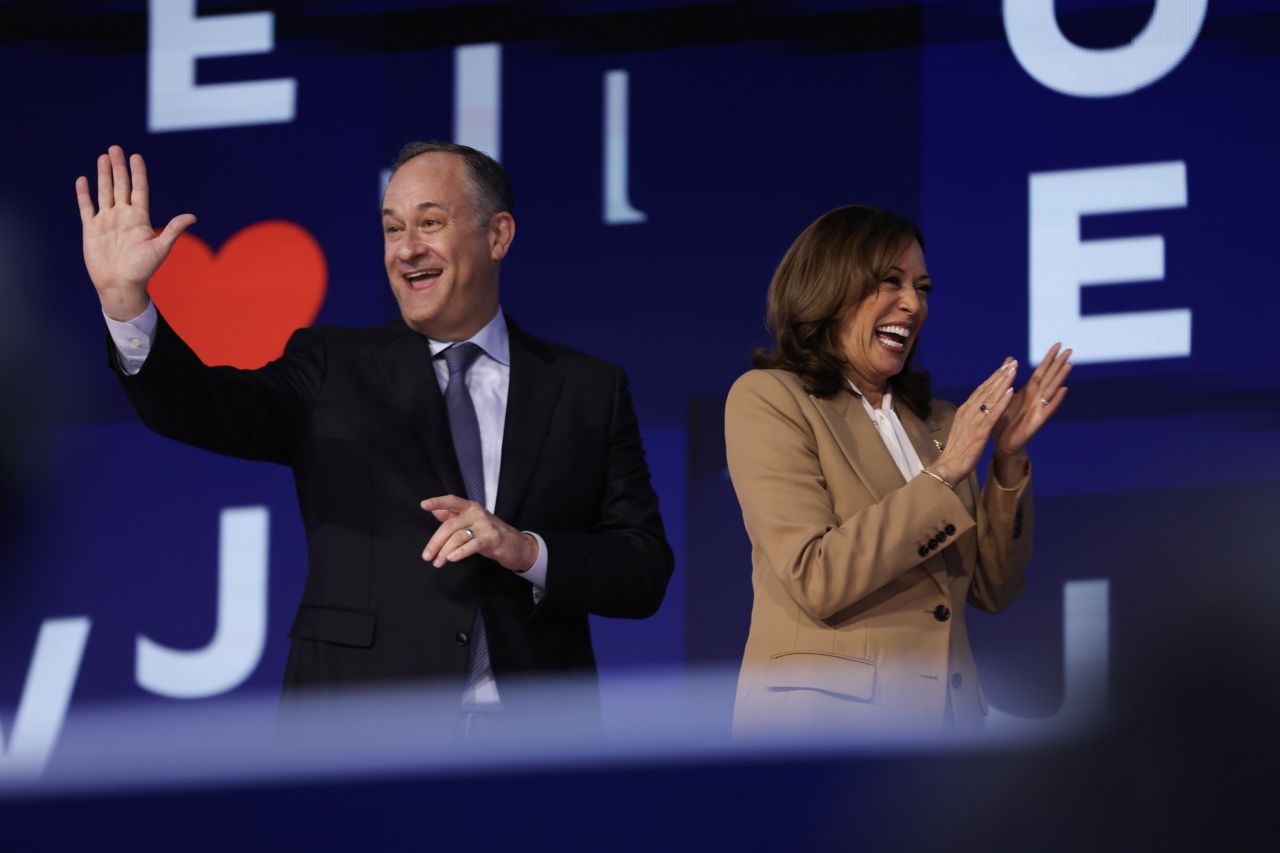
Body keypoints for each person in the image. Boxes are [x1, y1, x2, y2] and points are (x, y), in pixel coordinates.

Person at [76, 142, 673, 731]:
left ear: (498, 236)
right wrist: (125, 301)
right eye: (392, 229)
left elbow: (642, 568)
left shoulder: (587, 388)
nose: (407, 249)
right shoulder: (332, 364)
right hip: (361, 734)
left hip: (538, 744)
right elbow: (198, 408)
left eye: (430, 223)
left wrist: (528, 551)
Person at [725, 205, 1070, 733]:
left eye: (923, 288)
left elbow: (993, 591)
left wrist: (1007, 459)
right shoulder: (770, 399)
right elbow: (816, 575)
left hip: (944, 734)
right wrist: (947, 471)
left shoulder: (938, 421)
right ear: (829, 290)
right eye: (890, 282)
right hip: (820, 730)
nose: (912, 304)